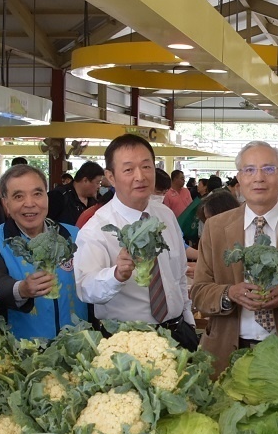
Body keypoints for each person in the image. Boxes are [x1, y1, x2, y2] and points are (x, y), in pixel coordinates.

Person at [190, 141, 278, 375]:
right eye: (249, 170)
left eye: (269, 169)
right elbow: (199, 292)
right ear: (239, 178)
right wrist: (229, 293)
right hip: (226, 353)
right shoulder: (215, 227)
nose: (259, 178)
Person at [74, 135, 197, 347]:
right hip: (129, 343)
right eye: (128, 169)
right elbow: (86, 288)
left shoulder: (165, 215)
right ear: (111, 177)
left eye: (146, 167)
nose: (140, 176)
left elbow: (179, 275)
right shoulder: (96, 229)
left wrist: (189, 321)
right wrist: (116, 275)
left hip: (178, 333)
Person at [0, 165, 85, 340]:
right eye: (18, 196)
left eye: (37, 194)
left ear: (47, 196)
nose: (29, 203)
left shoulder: (74, 235)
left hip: (79, 347)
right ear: (6, 203)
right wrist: (22, 289)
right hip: (25, 354)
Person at [48, 160, 103, 226]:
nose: (99, 187)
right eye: (97, 183)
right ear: (85, 180)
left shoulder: (97, 199)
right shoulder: (58, 196)